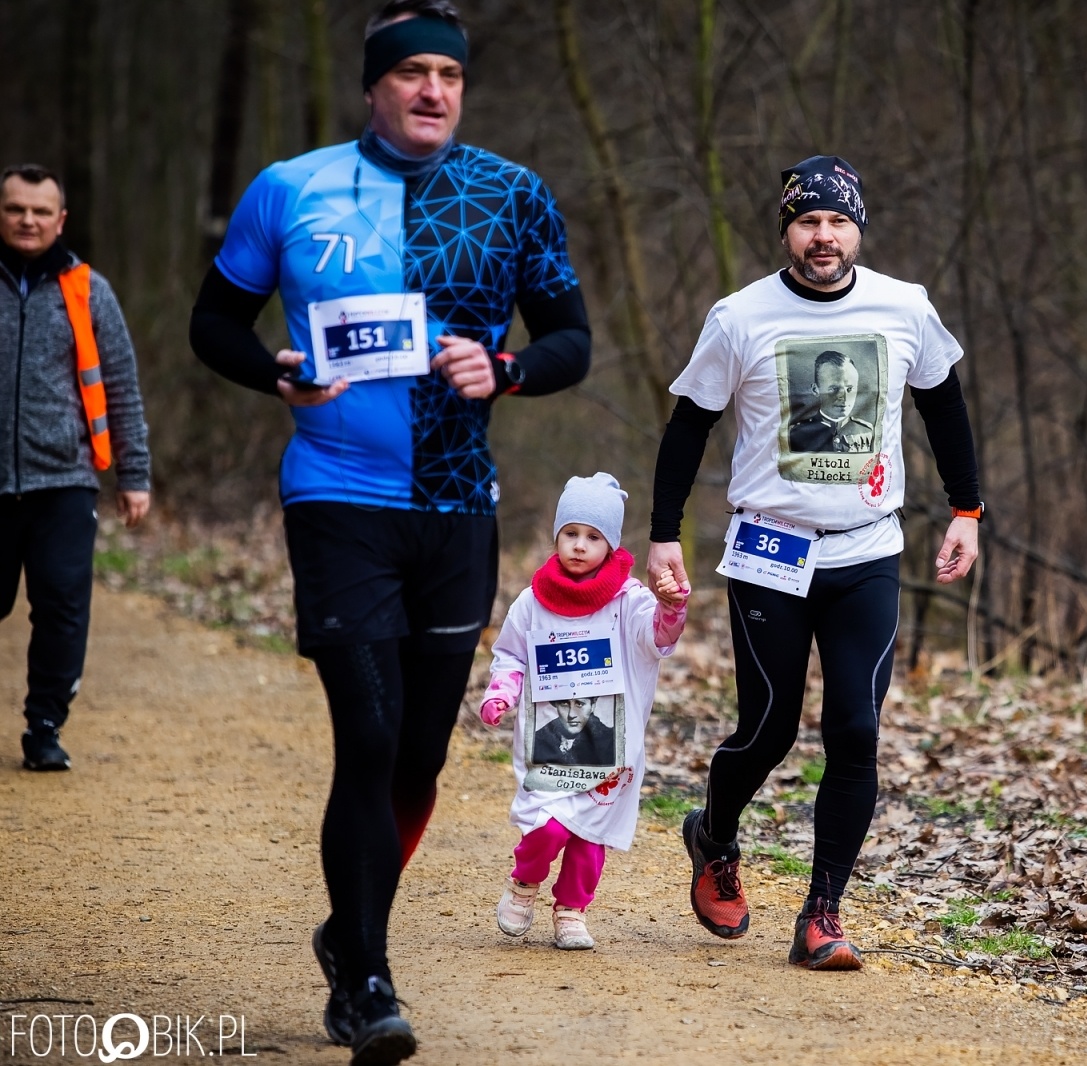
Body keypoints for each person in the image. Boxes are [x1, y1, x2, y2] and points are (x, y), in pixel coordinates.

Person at [186, 1, 590, 1061]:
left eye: (448, 76)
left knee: (417, 757)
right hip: (337, 496)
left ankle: (345, 926)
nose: (432, 91)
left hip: (456, 510)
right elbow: (213, 321)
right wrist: (273, 371)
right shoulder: (292, 187)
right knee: (366, 736)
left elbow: (571, 341)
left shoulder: (512, 194)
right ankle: (366, 979)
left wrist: (505, 367)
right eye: (411, 73)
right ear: (373, 85)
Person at [649, 154, 984, 970]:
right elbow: (689, 425)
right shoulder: (739, 317)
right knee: (766, 731)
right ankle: (714, 835)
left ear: (858, 227)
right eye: (808, 221)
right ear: (786, 231)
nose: (823, 236)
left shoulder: (904, 307)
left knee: (856, 730)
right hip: (770, 550)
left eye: (837, 221)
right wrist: (663, 533)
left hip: (867, 547)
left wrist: (967, 511)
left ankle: (822, 914)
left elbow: (943, 405)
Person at [479, 473, 688, 951]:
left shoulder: (629, 600)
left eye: (593, 536)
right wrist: (501, 693)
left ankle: (572, 909)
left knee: (590, 837)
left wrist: (671, 607)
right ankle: (524, 882)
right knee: (548, 828)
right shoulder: (532, 602)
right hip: (551, 741)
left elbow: (656, 639)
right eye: (571, 533)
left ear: (611, 544)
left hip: (609, 742)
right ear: (556, 535)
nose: (579, 545)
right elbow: (511, 654)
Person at [1, 163, 150, 773]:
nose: (27, 220)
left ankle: (44, 727)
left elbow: (121, 387)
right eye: (15, 209)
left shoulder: (89, 291)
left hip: (64, 481)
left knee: (62, 609)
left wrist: (134, 475)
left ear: (60, 220)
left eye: (41, 211)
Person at [787, 350, 875, 453]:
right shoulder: (797, 433)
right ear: (816, 390)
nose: (844, 397)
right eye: (834, 389)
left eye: (850, 389)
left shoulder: (867, 432)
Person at [531, 697, 617, 766]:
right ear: (556, 705)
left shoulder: (611, 742)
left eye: (579, 704)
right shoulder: (537, 741)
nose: (571, 715)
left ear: (593, 706)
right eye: (564, 703)